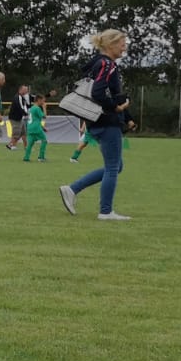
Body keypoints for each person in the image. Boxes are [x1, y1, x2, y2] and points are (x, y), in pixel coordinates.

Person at [60, 30, 132, 221]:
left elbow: (109, 92)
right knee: (112, 167)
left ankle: (72, 189)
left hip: (97, 121)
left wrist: (125, 113)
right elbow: (99, 93)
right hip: (107, 122)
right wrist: (116, 108)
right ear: (110, 45)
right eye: (122, 43)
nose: (125, 47)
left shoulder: (99, 63)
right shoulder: (107, 65)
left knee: (117, 166)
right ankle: (106, 211)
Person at [23, 94, 49, 162]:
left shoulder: (31, 108)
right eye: (43, 101)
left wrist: (43, 128)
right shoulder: (37, 108)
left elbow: (35, 119)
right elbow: (44, 117)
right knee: (44, 141)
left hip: (30, 128)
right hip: (36, 128)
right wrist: (44, 108)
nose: (43, 102)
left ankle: (26, 158)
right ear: (39, 100)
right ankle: (41, 157)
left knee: (30, 144)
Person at [9, 84, 32, 152]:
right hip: (15, 118)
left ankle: (26, 147)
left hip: (20, 118)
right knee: (16, 132)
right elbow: (20, 107)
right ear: (21, 90)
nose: (26, 91)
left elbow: (26, 106)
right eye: (25, 89)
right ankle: (11, 145)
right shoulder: (18, 97)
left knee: (23, 132)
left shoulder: (23, 98)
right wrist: (26, 113)